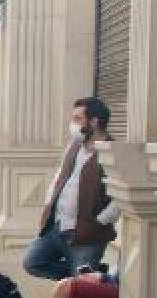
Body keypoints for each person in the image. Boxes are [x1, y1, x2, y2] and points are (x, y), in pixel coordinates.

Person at [24, 97, 119, 281]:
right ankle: (89, 277)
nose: (72, 124)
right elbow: (60, 177)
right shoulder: (75, 146)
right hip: (57, 228)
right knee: (33, 262)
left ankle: (88, 279)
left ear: (94, 122)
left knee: (82, 286)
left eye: (77, 119)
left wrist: (98, 222)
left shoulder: (112, 153)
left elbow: (119, 200)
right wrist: (49, 204)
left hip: (87, 236)